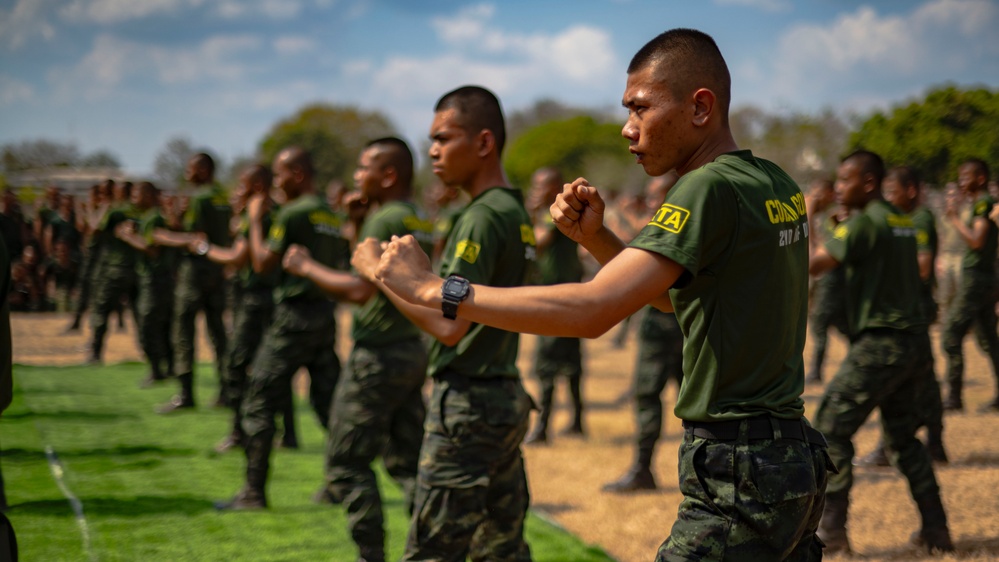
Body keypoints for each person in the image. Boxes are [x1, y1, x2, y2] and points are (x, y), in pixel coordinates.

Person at [359, 32, 829, 561]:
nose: (628, 128)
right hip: (793, 457)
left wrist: (430, 288)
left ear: (700, 107)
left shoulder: (706, 187)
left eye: (640, 108)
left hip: (739, 467)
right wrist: (599, 240)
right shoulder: (775, 182)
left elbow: (590, 311)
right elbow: (679, 302)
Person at [351, 86, 537, 561]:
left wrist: (381, 274)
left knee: (433, 552)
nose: (432, 150)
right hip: (502, 391)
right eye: (430, 139)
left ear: (483, 143)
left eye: (444, 137)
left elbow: (450, 326)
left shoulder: (479, 218)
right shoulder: (513, 211)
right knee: (501, 548)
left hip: (469, 404)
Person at [283, 137, 434, 562]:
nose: (356, 177)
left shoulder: (384, 217)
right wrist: (355, 224)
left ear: (388, 175)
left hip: (378, 356)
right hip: (409, 349)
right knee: (407, 464)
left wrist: (305, 266)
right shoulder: (415, 215)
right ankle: (436, 549)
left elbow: (360, 290)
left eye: (363, 169)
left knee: (345, 464)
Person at [807, 150, 953, 554]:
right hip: (913, 343)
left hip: (881, 344)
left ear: (868, 183)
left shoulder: (865, 223)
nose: (838, 188)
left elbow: (815, 264)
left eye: (845, 180)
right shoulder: (901, 221)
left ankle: (832, 532)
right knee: (904, 438)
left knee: (831, 429)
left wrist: (810, 215)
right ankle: (936, 530)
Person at [215, 146, 350, 511]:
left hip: (292, 318)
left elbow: (261, 263)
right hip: (324, 315)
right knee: (328, 405)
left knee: (259, 398)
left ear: (299, 175)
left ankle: (253, 492)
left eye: (281, 175)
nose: (277, 183)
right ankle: (342, 482)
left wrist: (256, 220)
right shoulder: (330, 213)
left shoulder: (293, 213)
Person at [856, 166, 948, 467]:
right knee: (922, 380)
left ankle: (892, 446)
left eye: (893, 194)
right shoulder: (906, 219)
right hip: (911, 309)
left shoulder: (918, 219)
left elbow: (922, 268)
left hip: (913, 308)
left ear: (910, 191)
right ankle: (932, 443)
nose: (890, 200)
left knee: (896, 381)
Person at [602, 172, 684, 493]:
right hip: (663, 328)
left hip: (675, 329)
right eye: (650, 198)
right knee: (655, 396)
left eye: (659, 197)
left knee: (660, 396)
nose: (652, 204)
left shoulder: (672, 230)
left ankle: (647, 470)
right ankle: (643, 468)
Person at [151, 153, 232, 413]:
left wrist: (165, 233)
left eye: (192, 167)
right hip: (217, 270)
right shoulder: (221, 196)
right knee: (218, 333)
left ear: (205, 169)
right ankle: (227, 390)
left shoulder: (200, 198)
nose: (187, 172)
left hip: (195, 272)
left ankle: (186, 394)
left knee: (183, 332)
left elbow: (192, 237)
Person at [523, 166, 586, 445]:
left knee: (547, 365)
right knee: (571, 363)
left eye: (543, 186)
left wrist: (530, 214)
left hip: (557, 298)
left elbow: (538, 244)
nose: (537, 191)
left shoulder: (554, 214)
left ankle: (542, 428)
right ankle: (577, 421)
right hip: (569, 295)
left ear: (557, 186)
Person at [941, 158, 999, 412]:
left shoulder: (983, 203)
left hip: (977, 279)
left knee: (951, 334)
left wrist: (954, 219)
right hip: (983, 277)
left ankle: (954, 397)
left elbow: (976, 240)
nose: (963, 182)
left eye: (967, 177)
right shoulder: (979, 203)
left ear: (981, 178)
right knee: (989, 339)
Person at [114, 182, 176, 386]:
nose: (133, 197)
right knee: (160, 324)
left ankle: (158, 369)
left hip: (155, 279)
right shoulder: (149, 217)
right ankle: (166, 367)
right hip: (155, 279)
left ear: (148, 195)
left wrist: (127, 236)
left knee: (148, 325)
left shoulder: (154, 217)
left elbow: (151, 249)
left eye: (137, 193)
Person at [86, 180, 139, 363]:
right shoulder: (138, 211)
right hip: (136, 269)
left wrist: (100, 208)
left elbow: (94, 227)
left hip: (114, 268)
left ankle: (95, 353)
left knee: (102, 310)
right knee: (139, 314)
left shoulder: (115, 211)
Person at [804, 178, 849, 384]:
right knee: (838, 322)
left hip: (831, 276)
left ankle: (816, 371)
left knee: (820, 322)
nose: (816, 197)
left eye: (819, 192)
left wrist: (810, 215)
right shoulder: (826, 215)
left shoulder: (836, 215)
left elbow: (821, 247)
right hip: (822, 276)